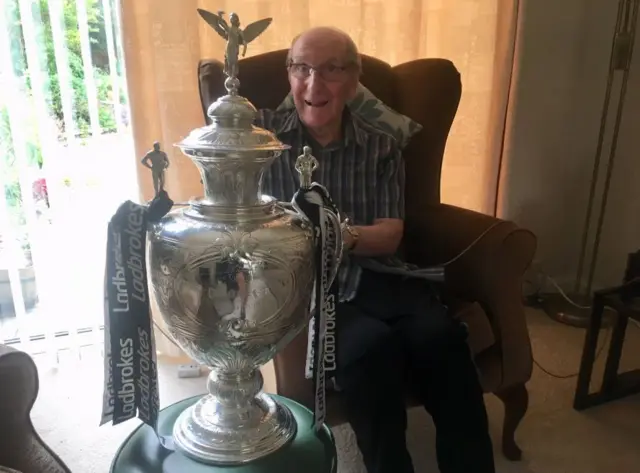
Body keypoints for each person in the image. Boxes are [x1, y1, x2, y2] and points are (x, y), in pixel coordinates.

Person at [254, 26, 496, 473]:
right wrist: (339, 238)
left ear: (353, 78)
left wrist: (333, 236)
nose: (313, 84)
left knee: (442, 339)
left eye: (331, 70)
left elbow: (389, 235)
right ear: (289, 75)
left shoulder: (381, 146)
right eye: (302, 69)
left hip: (386, 276)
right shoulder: (262, 143)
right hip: (318, 293)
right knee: (369, 351)